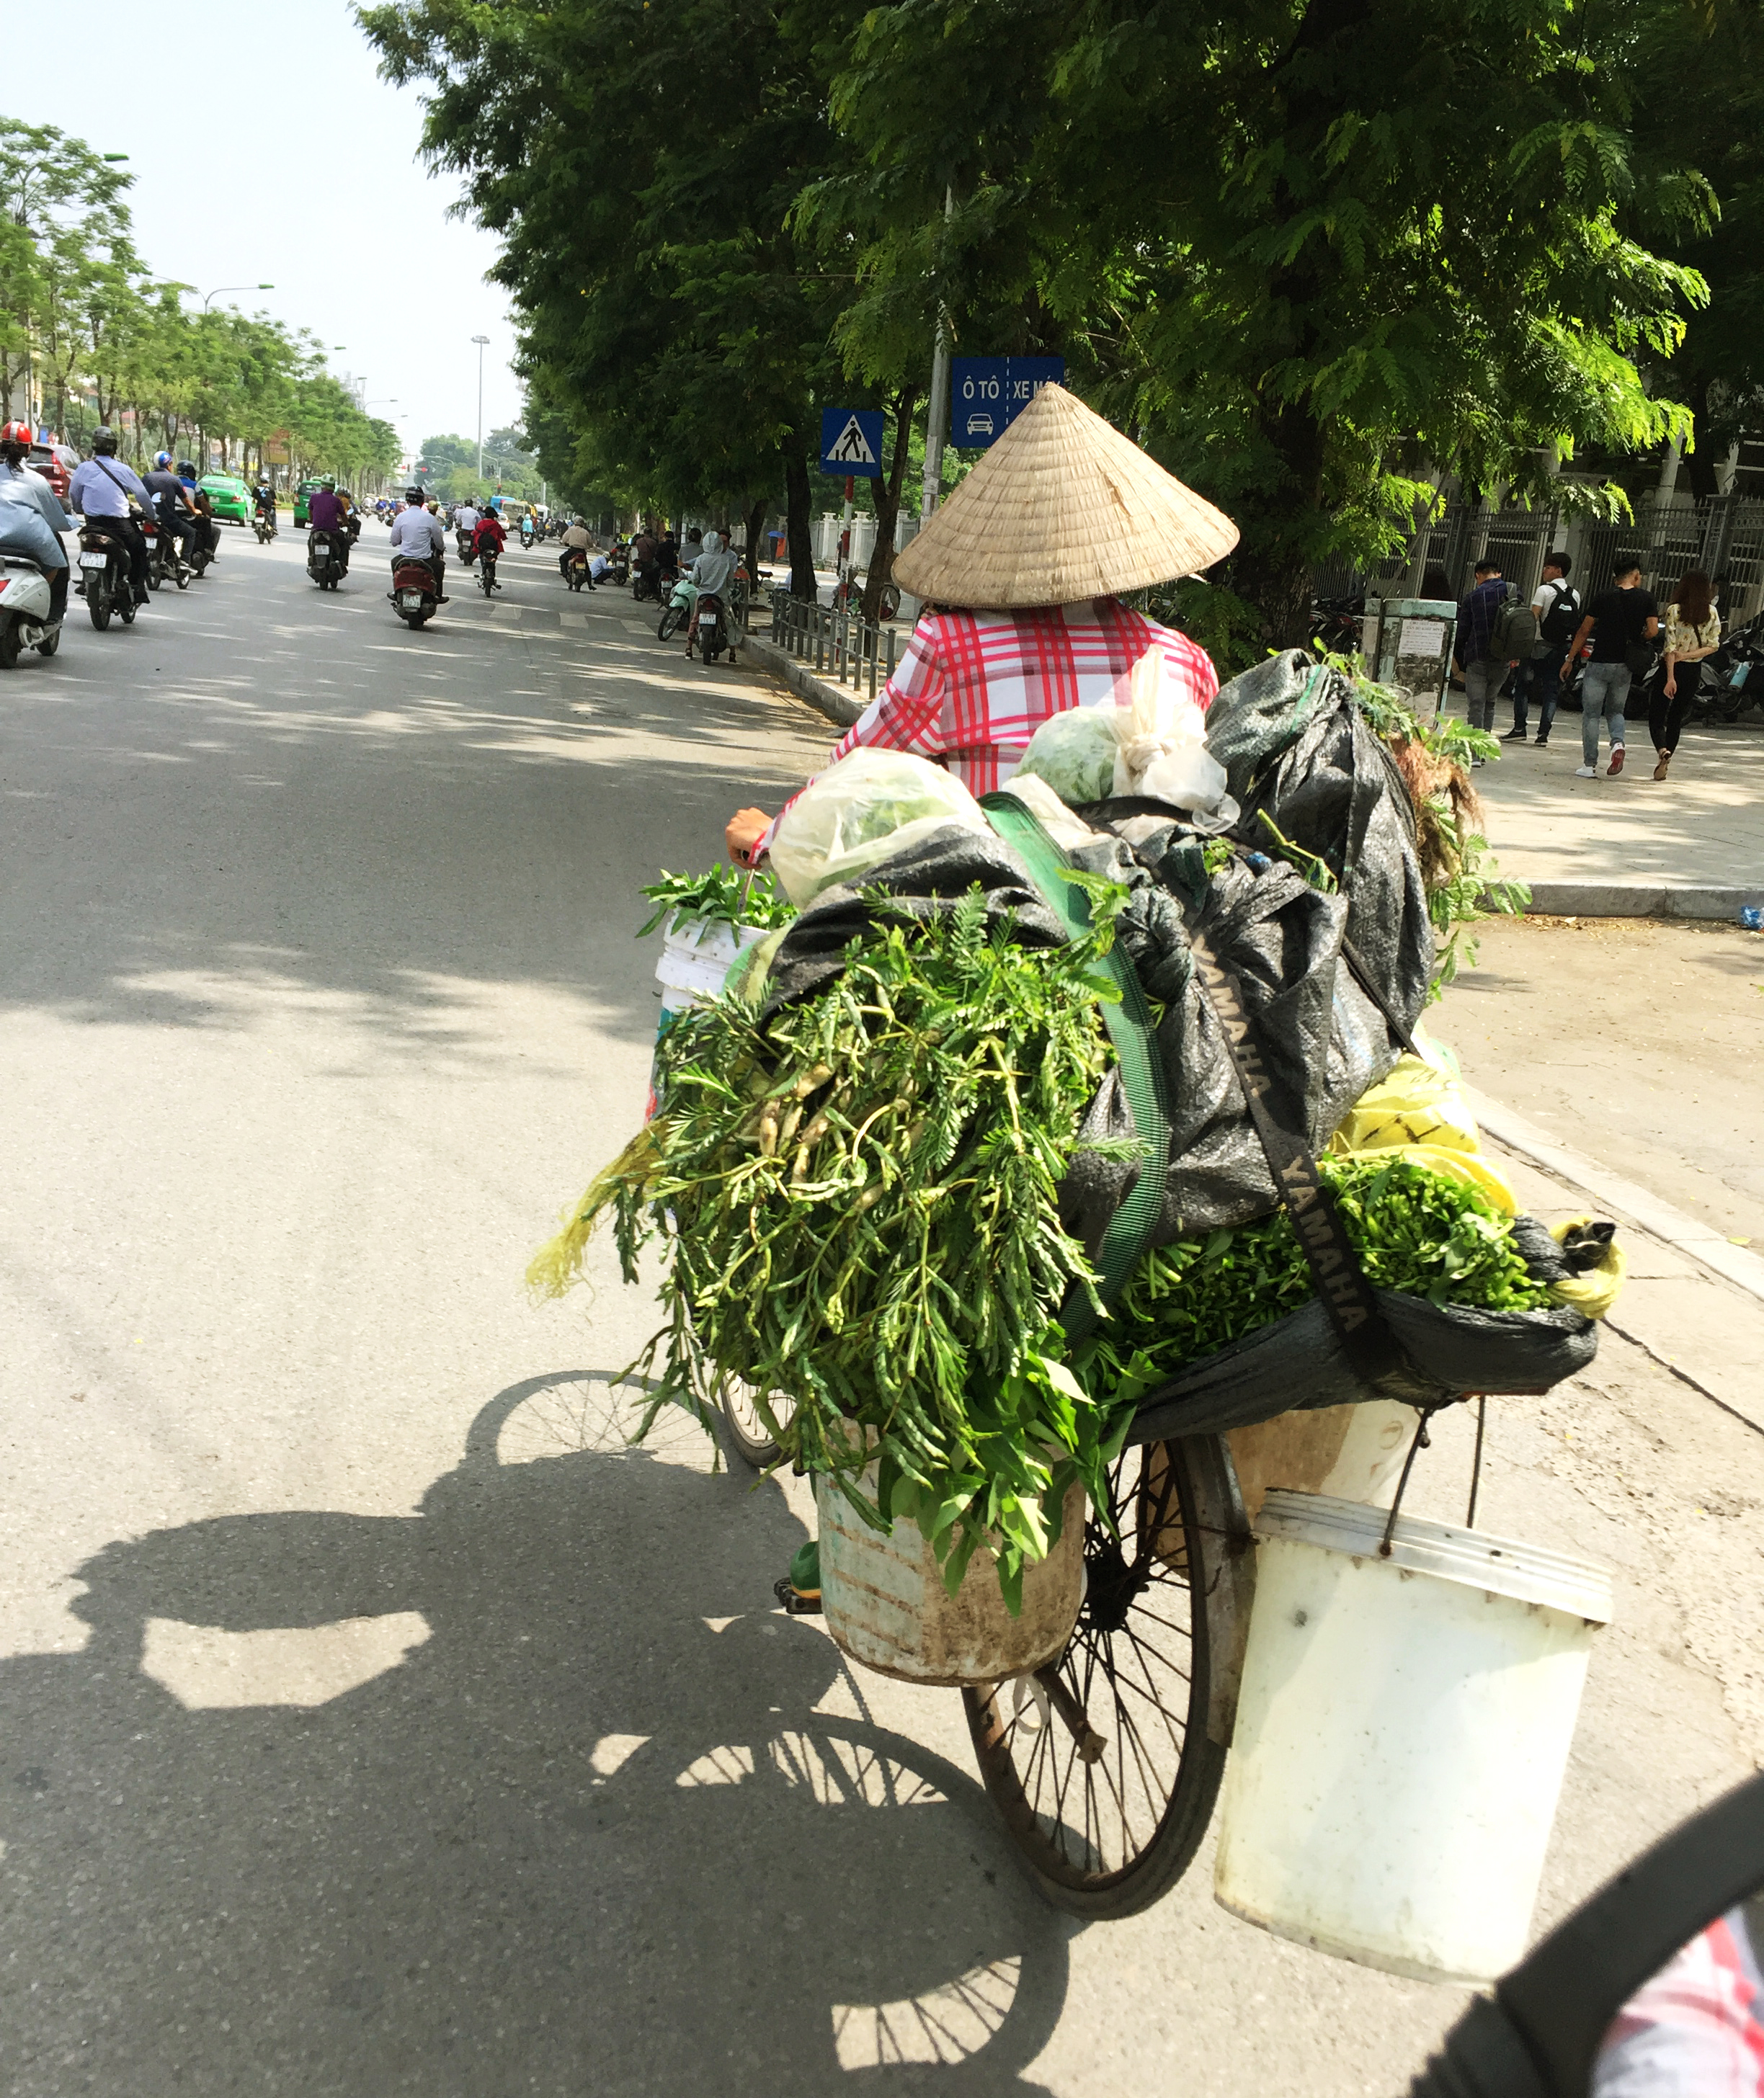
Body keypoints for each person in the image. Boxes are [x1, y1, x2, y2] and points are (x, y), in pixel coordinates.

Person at [726, 383, 1235, 867]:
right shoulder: (1182, 658)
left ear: (999, 544)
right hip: (1142, 930)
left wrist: (771, 838)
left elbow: (858, 772)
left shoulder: (951, 646)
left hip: (1000, 921)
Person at [1562, 557, 1658, 778]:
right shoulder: (1646, 598)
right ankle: (1617, 745)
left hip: (1599, 662)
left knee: (1592, 714)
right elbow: (1653, 630)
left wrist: (1570, 658)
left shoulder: (1603, 596)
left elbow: (1584, 630)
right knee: (1616, 711)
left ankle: (1589, 765)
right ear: (1635, 575)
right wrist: (1638, 638)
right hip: (1625, 664)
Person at [1649, 568, 1721, 782]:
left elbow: (1670, 647)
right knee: (1677, 717)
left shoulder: (1674, 610)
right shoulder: (1712, 612)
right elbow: (1713, 646)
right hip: (1693, 670)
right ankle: (1668, 756)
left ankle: (1662, 750)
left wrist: (1670, 677)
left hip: (1670, 669)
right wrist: (1689, 655)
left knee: (1656, 715)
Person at [66, 428, 152, 606]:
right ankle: (136, 586)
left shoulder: (83, 468)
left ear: (94, 447)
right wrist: (151, 514)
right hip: (119, 525)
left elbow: (74, 493)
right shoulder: (123, 469)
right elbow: (142, 495)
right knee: (139, 548)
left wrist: (78, 508)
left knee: (87, 546)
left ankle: (85, 581)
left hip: (92, 523)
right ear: (114, 449)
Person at [0, 419, 71, 628]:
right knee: (58, 565)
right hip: (30, 539)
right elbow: (56, 520)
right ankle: (47, 614)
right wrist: (71, 522)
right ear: (28, 449)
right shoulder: (36, 480)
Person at [1508, 551, 1580, 748]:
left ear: (1558, 570)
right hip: (1561, 649)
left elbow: (1533, 619)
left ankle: (1519, 729)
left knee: (1523, 686)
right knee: (1551, 691)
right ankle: (1543, 735)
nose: (1544, 571)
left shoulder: (1544, 591)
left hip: (1539, 647)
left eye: (1547, 568)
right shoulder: (1575, 595)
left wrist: (1522, 645)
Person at [1453, 558, 1518, 757]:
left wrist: (1458, 659)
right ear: (1499, 574)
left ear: (1477, 576)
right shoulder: (1513, 591)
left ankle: (1474, 752)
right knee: (1490, 702)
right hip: (1504, 658)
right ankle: (1484, 749)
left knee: (1476, 703)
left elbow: (1463, 632)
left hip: (1478, 656)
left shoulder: (1473, 596)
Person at [143, 450, 203, 571]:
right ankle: (185, 562)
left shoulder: (146, 478)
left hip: (148, 518)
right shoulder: (174, 480)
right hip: (168, 519)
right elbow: (186, 501)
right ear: (169, 465)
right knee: (191, 533)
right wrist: (194, 511)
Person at [388, 486, 448, 600]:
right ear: (422, 501)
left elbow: (394, 541)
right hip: (425, 560)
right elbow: (439, 543)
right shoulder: (430, 518)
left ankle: (396, 591)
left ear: (407, 500)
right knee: (440, 566)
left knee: (394, 563)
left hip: (404, 559)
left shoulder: (401, 517)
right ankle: (437, 595)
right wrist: (441, 547)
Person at [685, 529, 735, 647]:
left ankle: (688, 647)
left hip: (703, 596)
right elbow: (730, 582)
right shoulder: (726, 560)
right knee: (728, 622)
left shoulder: (701, 559)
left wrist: (698, 585)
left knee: (695, 619)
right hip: (721, 598)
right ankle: (732, 652)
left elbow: (695, 579)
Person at [308, 481, 351, 573]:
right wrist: (346, 523)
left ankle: (311, 558)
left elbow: (310, 513)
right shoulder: (336, 500)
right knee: (344, 542)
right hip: (332, 531)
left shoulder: (314, 497)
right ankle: (342, 563)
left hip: (316, 530)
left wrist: (312, 521)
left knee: (310, 542)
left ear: (322, 487)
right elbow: (343, 515)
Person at [471, 504, 505, 584]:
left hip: (483, 546)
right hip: (494, 547)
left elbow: (477, 531)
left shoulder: (481, 523)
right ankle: (492, 570)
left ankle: (484, 571)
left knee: (482, 557)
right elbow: (502, 534)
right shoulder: (496, 524)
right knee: (493, 558)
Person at [558, 517, 596, 584]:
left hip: (573, 550)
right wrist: (590, 546)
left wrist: (562, 542)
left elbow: (564, 538)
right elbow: (590, 543)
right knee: (587, 569)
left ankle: (564, 572)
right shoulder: (586, 532)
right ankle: (590, 584)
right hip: (582, 552)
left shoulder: (571, 529)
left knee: (562, 558)